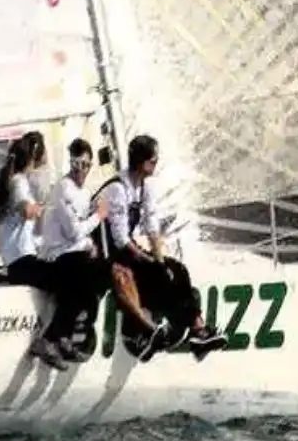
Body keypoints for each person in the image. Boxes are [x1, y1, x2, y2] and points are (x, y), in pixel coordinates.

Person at [96, 135, 225, 362]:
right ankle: (146, 330)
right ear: (143, 163)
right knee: (150, 273)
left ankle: (198, 330)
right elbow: (119, 239)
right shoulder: (117, 189)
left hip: (125, 247)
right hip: (102, 252)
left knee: (177, 269)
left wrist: (161, 262)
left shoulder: (145, 187)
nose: (156, 163)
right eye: (154, 160)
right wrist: (148, 262)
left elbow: (152, 228)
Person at [19, 137, 114, 368]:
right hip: (56, 256)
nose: (81, 170)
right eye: (77, 165)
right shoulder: (63, 188)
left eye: (85, 165)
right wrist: (98, 216)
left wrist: (90, 244)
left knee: (102, 272)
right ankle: (51, 339)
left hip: (74, 254)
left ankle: (68, 334)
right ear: (71, 164)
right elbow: (73, 232)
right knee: (82, 275)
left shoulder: (85, 191)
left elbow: (80, 235)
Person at [0, 132, 51, 268]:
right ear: (35, 155)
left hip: (16, 256)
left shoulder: (15, 179)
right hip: (23, 257)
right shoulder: (19, 181)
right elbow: (26, 210)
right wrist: (43, 209)